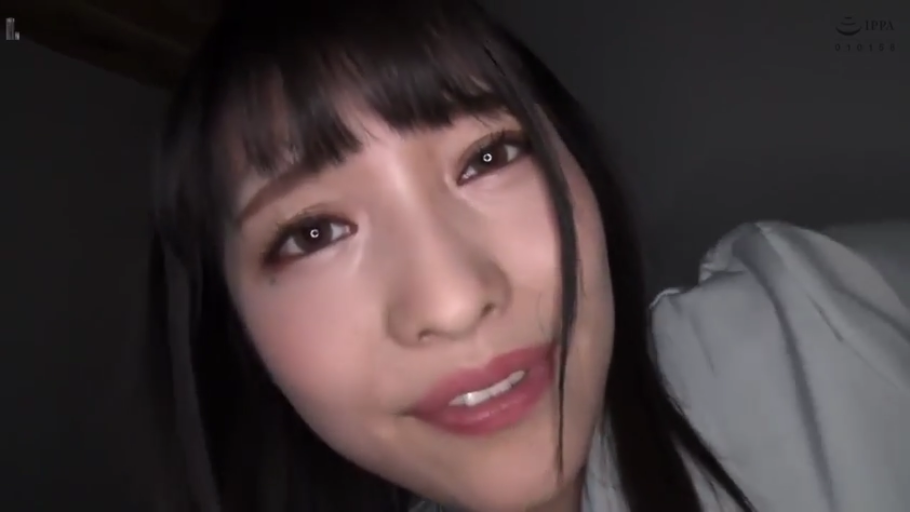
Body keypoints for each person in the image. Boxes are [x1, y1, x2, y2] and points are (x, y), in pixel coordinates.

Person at [145, 0, 910, 511]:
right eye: (314, 233)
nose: (453, 301)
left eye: (489, 157)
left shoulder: (813, 320)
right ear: (233, 330)